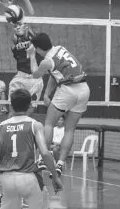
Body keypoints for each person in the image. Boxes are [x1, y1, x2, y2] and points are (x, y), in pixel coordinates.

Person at [0, 89, 63, 209]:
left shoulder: (0, 127)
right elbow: (45, 152)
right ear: (29, 105)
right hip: (27, 177)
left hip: (6, 179)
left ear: (11, 106)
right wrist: (55, 176)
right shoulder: (35, 125)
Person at [24, 32, 90, 177]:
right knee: (70, 130)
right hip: (84, 89)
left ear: (38, 48)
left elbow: (35, 74)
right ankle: (60, 163)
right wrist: (47, 94)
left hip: (68, 90)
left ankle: (42, 159)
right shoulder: (61, 48)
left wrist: (32, 55)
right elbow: (56, 75)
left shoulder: (46, 61)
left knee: (48, 123)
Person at [0, 0, 44, 116]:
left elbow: (32, 13)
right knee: (12, 110)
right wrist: (10, 9)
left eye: (19, 25)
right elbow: (11, 24)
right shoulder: (14, 39)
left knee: (29, 111)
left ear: (25, 25)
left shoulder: (33, 36)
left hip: (36, 78)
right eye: (15, 26)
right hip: (20, 77)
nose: (17, 27)